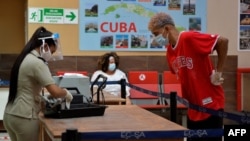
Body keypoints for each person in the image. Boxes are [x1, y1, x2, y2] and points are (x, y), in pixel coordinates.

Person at [148, 12, 228, 141]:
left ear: (167, 28)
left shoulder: (188, 37)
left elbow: (222, 41)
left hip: (211, 103)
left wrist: (218, 72)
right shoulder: (170, 51)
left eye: (156, 34)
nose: (155, 38)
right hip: (193, 107)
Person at [3, 26, 73, 141]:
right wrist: (65, 93)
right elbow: (55, 92)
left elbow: (25, 87)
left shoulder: (24, 57)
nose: (51, 55)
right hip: (25, 117)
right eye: (52, 51)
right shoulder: (37, 63)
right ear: (45, 46)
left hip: (10, 115)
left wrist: (40, 97)